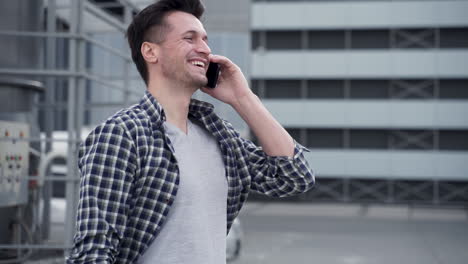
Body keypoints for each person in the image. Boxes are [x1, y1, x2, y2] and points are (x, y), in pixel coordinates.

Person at [67, 0, 315, 263]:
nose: (205, 49)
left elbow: (294, 177)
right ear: (151, 52)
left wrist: (242, 97)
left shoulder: (219, 136)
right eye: (190, 38)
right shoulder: (122, 135)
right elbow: (92, 254)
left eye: (205, 40)